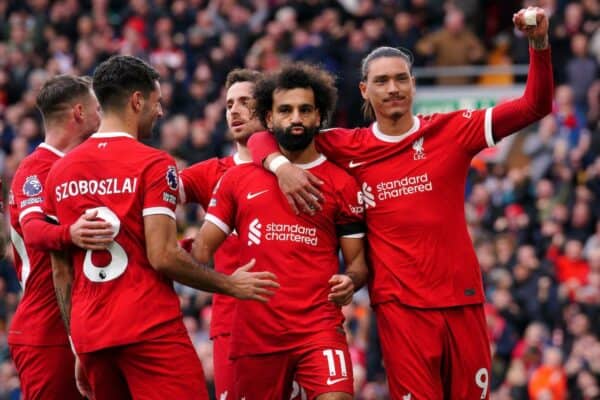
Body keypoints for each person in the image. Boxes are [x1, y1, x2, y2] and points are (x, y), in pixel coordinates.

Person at [248, 7, 554, 399]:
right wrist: (279, 166)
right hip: (400, 309)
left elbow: (535, 105)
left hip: (462, 300)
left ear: (413, 85)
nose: (392, 88)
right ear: (365, 90)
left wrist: (539, 44)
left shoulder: (453, 130)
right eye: (381, 81)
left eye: (400, 79)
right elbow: (264, 136)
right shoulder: (345, 145)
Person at [42, 55, 279, 400]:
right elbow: (163, 256)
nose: (161, 112)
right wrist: (229, 284)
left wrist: (77, 345)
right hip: (148, 328)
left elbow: (60, 271)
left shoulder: (60, 172)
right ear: (137, 101)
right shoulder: (153, 164)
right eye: (157, 102)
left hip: (91, 334)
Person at [193, 63, 368, 399]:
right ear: (269, 119)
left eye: (305, 110)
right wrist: (227, 282)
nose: (296, 119)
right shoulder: (236, 180)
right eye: (285, 111)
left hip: (319, 328)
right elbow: (201, 253)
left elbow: (357, 263)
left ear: (319, 116)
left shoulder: (343, 184)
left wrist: (352, 281)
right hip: (257, 335)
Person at [7, 75, 110, 399]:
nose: (102, 115)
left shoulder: (81, 168)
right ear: (79, 113)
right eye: (97, 108)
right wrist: (72, 233)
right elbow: (36, 232)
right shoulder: (35, 169)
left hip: (83, 324)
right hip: (46, 330)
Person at [178, 68, 263, 399]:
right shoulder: (209, 173)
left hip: (289, 318)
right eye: (229, 105)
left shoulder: (293, 172)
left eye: (245, 101)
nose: (235, 111)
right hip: (233, 321)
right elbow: (156, 194)